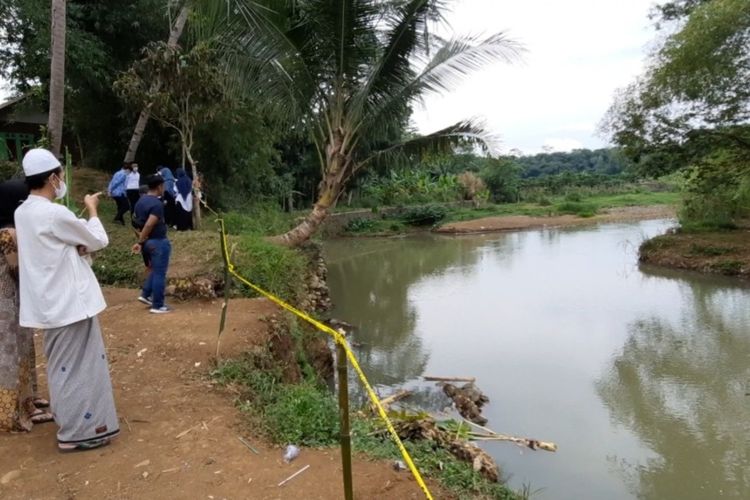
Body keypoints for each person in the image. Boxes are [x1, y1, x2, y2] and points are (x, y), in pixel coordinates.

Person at [15, 148, 119, 451]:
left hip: (48, 303)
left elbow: (54, 248)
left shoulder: (23, 213)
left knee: (61, 366)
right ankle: (78, 432)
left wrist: (76, 247)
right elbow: (97, 239)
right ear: (51, 178)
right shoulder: (54, 213)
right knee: (81, 368)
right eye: (59, 175)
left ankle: (70, 421)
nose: (61, 180)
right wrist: (92, 210)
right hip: (71, 303)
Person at [0, 180, 53, 432]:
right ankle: (17, 411)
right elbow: (17, 269)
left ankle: (29, 397)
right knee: (12, 356)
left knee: (23, 350)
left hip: (11, 303)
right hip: (6, 306)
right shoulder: (8, 233)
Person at [133, 174, 172, 314]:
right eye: (164, 186)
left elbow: (137, 223)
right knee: (160, 273)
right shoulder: (157, 204)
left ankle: (145, 295)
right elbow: (149, 224)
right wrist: (139, 241)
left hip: (148, 244)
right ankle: (158, 305)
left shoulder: (140, 202)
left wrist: (142, 241)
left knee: (155, 270)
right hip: (158, 242)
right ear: (159, 186)